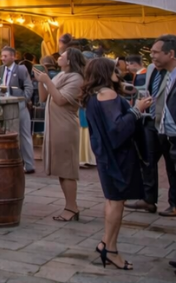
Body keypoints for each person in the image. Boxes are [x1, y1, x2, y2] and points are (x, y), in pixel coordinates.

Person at [84, 57, 151, 271]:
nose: (119, 71)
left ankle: (106, 242)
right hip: (117, 157)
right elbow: (117, 129)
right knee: (116, 202)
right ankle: (111, 250)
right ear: (105, 72)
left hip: (106, 155)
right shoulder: (108, 94)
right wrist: (137, 109)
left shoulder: (95, 95)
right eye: (114, 69)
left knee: (112, 200)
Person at [33, 47, 86, 221]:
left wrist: (47, 80)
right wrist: (40, 81)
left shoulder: (77, 78)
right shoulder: (61, 75)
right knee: (61, 168)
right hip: (55, 126)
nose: (59, 57)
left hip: (65, 126)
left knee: (67, 169)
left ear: (69, 60)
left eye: (62, 55)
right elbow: (43, 98)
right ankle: (70, 206)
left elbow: (61, 99)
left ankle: (72, 207)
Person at [127, 35, 176, 215]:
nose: (152, 56)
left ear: (170, 53)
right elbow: (148, 91)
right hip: (150, 121)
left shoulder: (173, 73)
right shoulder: (151, 69)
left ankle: (174, 203)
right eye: (151, 52)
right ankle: (148, 199)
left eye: (156, 52)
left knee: (172, 165)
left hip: (169, 126)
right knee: (147, 161)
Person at [0, 46, 36, 174]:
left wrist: (23, 100)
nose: (2, 58)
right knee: (8, 134)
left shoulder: (21, 69)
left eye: (5, 56)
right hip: (5, 105)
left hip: (19, 104)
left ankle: (29, 164)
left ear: (13, 57)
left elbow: (29, 87)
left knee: (24, 134)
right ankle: (11, 162)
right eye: (2, 56)